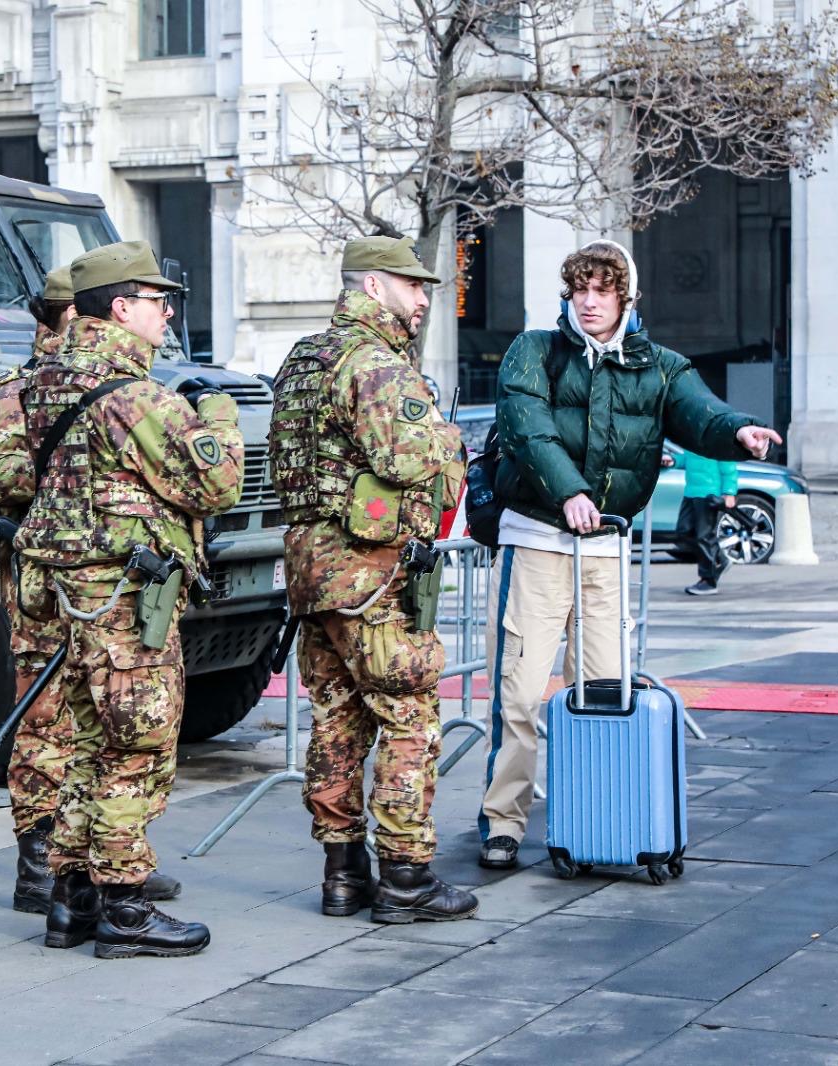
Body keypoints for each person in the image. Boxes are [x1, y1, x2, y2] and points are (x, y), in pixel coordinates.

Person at [477, 239, 781, 871]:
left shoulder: (659, 366)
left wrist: (738, 430)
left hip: (605, 551)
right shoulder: (533, 351)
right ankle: (503, 822)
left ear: (626, 297)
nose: (588, 302)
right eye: (578, 290)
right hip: (537, 543)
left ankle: (593, 815)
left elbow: (699, 413)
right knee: (521, 695)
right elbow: (527, 430)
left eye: (602, 291)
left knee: (605, 692)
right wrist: (571, 494)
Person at [15, 240, 243, 959]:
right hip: (122, 600)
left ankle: (72, 898)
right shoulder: (136, 396)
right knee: (137, 746)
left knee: (84, 743)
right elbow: (216, 486)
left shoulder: (43, 380)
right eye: (155, 299)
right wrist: (221, 421)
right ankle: (125, 909)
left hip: (65, 594)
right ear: (120, 308)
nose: (166, 310)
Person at [268, 235, 476, 924]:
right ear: (373, 286)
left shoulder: (304, 360)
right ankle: (407, 876)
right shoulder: (379, 367)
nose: (423, 299)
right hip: (369, 571)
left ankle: (342, 873)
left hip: (313, 571)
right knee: (409, 716)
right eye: (413, 286)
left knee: (336, 719)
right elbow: (411, 460)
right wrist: (452, 444)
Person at [0, 265, 182, 914]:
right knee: (47, 718)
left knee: (105, 722)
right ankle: (40, 863)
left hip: (96, 577)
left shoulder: (112, 385)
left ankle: (104, 862)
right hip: (45, 580)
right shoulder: (23, 390)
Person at [670, 449, 738, 596]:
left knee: (704, 537)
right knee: (683, 533)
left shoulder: (715, 435)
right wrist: (674, 461)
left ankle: (708, 580)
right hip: (690, 492)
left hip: (709, 493)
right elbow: (688, 458)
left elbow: (728, 465)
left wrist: (729, 492)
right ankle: (719, 558)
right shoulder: (691, 436)